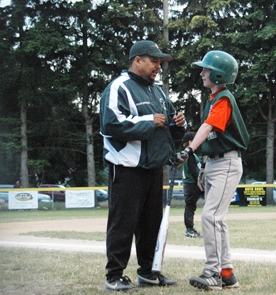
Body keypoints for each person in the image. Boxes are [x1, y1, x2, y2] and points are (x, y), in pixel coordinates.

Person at [99, 40, 186, 292]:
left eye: (160, 61)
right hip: (127, 168)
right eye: (154, 60)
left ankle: (148, 272)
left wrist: (177, 124)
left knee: (151, 224)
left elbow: (167, 129)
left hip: (154, 168)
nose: (159, 66)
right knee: (123, 222)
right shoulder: (118, 87)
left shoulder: (158, 92)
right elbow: (110, 124)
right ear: (138, 60)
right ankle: (114, 275)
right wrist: (150, 121)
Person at [177, 50, 249, 291]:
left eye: (206, 69)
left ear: (218, 74)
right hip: (216, 163)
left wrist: (189, 150)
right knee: (217, 219)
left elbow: (208, 126)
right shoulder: (215, 99)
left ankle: (214, 273)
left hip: (225, 163)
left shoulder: (223, 99)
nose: (202, 73)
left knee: (211, 217)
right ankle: (226, 273)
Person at [181, 131, 203, 238]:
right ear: (190, 142)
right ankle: (189, 230)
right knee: (190, 206)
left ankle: (190, 229)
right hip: (192, 184)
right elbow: (194, 171)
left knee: (191, 206)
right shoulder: (190, 155)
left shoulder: (190, 154)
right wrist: (200, 183)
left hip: (192, 184)